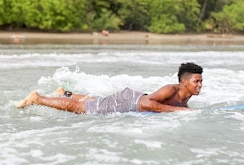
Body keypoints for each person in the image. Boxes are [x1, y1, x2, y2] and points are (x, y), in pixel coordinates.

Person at [16, 62, 203, 114]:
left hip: (131, 99)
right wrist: (179, 111)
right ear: (185, 82)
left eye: (201, 81)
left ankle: (64, 93)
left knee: (96, 102)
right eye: (197, 81)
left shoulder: (186, 96)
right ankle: (37, 98)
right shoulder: (171, 89)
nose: (200, 85)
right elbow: (147, 104)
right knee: (83, 109)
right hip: (131, 102)